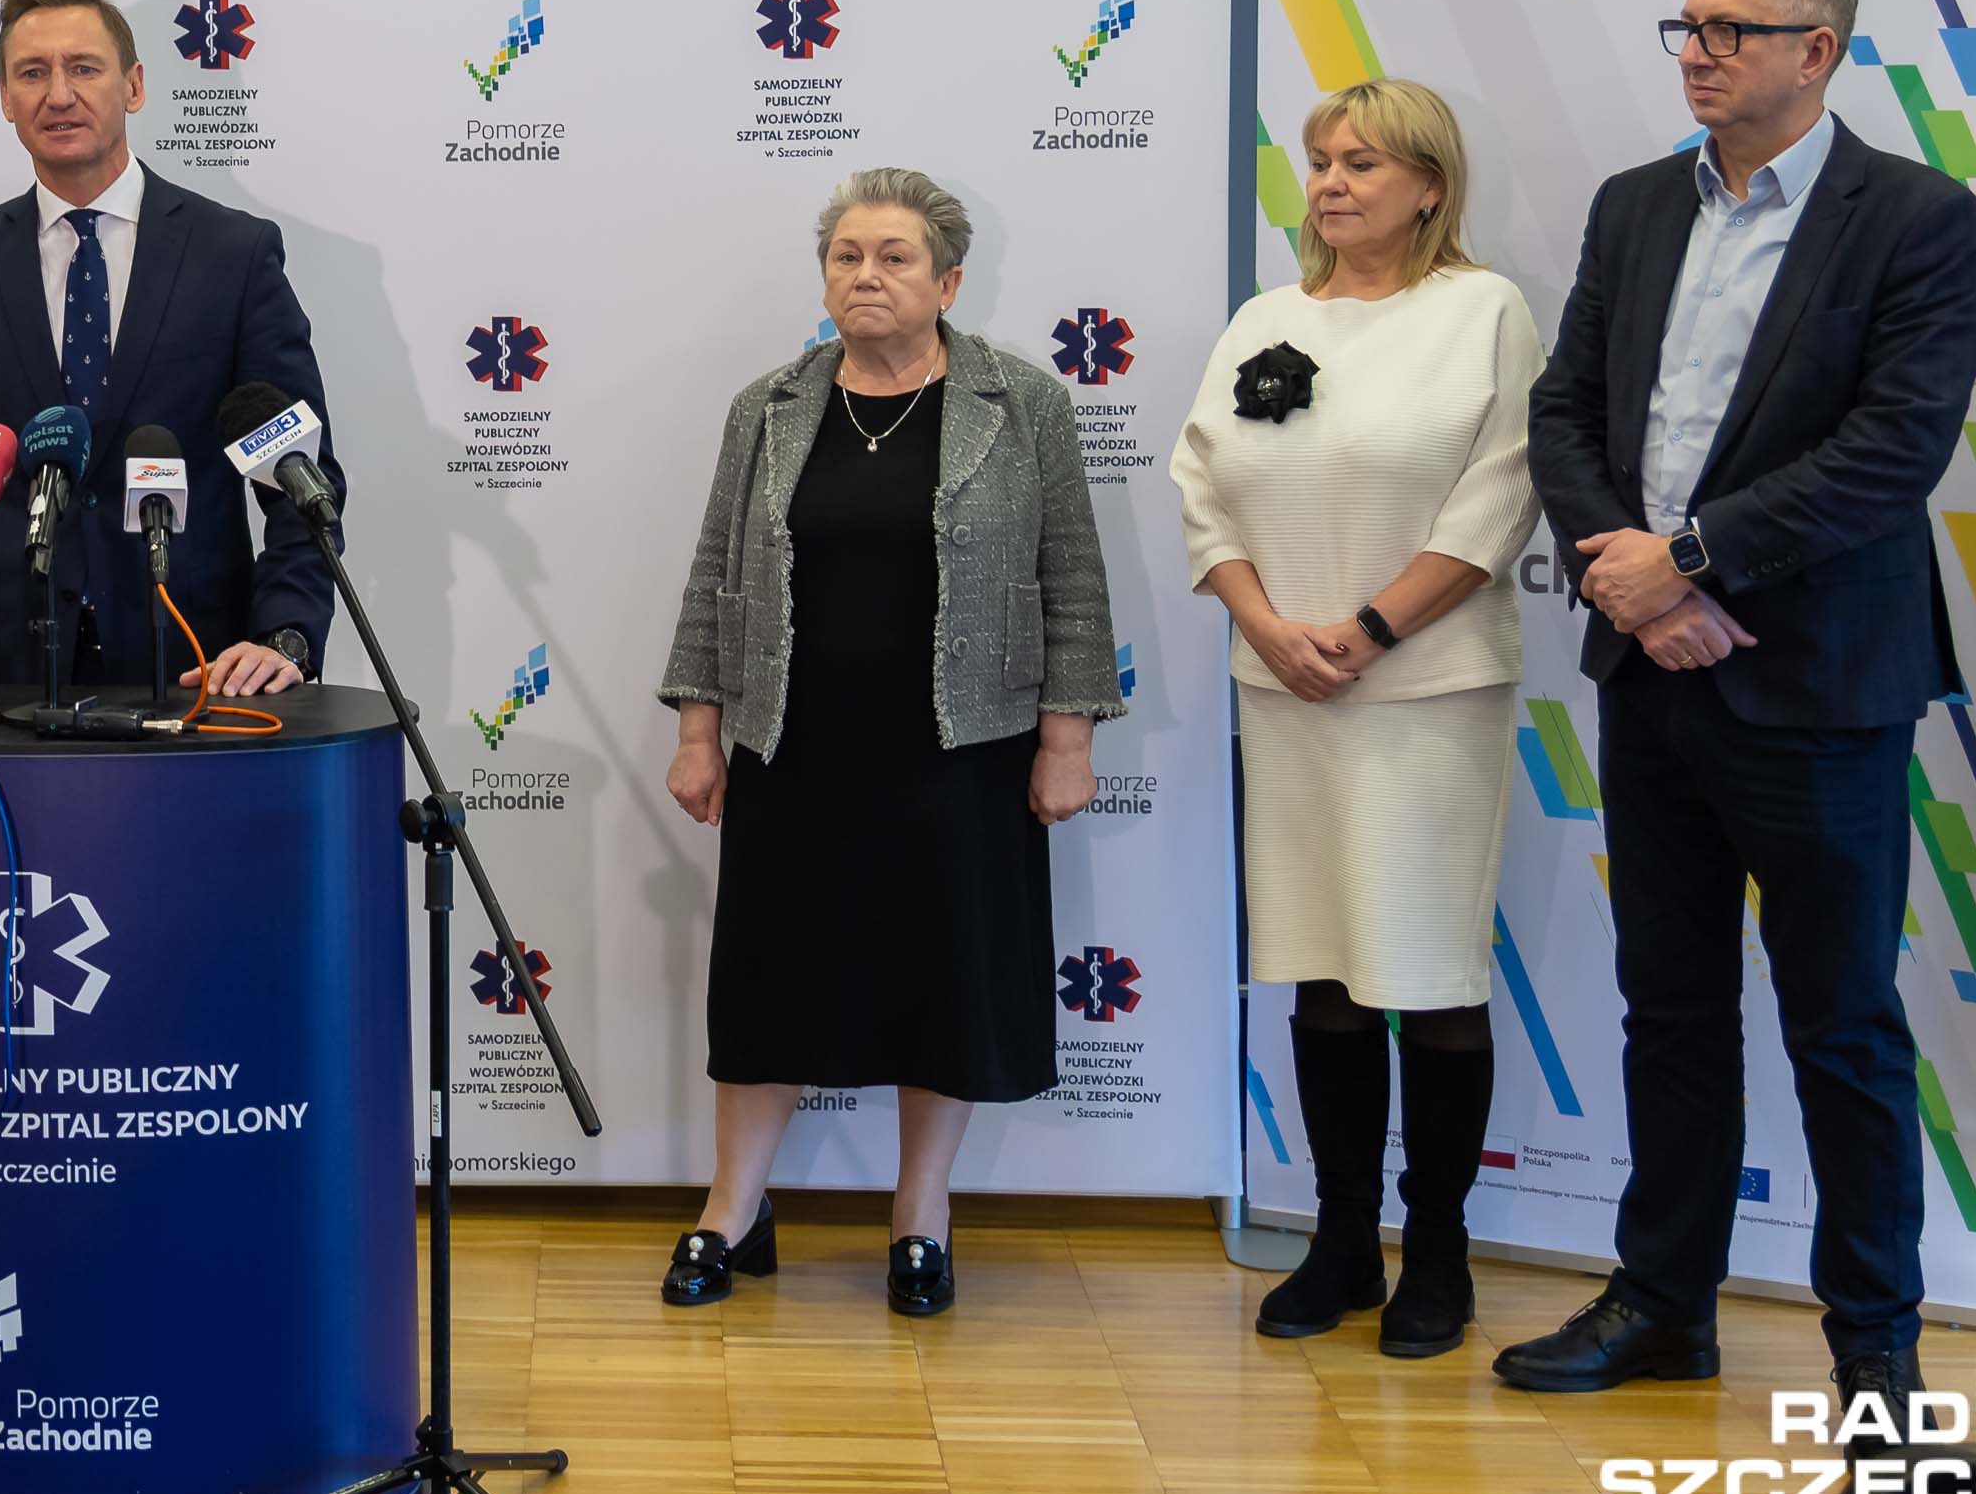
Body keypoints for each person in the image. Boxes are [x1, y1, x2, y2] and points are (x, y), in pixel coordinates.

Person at [1507, 0, 1976, 1421]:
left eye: (1730, 30)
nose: (1698, 54)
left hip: (1819, 682)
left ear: (1816, 51)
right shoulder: (1637, 203)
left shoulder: (1917, 216)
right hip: (1651, 671)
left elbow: (1892, 451)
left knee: (1841, 1023)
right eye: (1690, 27)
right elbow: (1566, 411)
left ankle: (1875, 1345)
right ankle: (1663, 1304)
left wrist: (1692, 561)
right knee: (1668, 1007)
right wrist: (1633, 581)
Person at [654, 168, 1125, 1317]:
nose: (866, 275)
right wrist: (700, 728)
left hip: (961, 747)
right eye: (847, 256)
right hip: (790, 745)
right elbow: (716, 574)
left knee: (941, 981)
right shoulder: (770, 405)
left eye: (894, 257)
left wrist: (1066, 740)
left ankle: (920, 1215)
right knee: (768, 985)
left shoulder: (1022, 402)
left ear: (949, 282)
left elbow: (1072, 574)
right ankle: (734, 1208)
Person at [1171, 79, 1543, 1360]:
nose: (1332, 182)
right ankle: (1342, 1242)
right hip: (1287, 688)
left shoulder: (1483, 311)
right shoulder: (1266, 318)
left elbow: (1502, 495)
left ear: (1430, 185)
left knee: (1427, 973)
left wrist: (1373, 628)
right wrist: (1269, 628)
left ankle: (1437, 1253)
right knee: (1323, 967)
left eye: (1364, 162)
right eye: (1322, 159)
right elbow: (1202, 487)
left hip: (1427, 690)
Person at [0, 0, 341, 696]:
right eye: (33, 72)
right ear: (5, 98)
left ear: (134, 86)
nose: (59, 94)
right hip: (7, 672)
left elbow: (298, 477)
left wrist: (284, 634)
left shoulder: (233, 254)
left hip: (197, 664)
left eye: (84, 68)